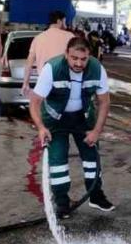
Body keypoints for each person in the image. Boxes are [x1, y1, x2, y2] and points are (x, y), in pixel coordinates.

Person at [29, 37, 115, 217]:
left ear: (89, 56)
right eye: (74, 58)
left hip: (83, 119)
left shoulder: (97, 69)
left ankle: (95, 196)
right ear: (66, 54)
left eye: (83, 59)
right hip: (55, 120)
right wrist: (41, 127)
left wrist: (96, 131)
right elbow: (35, 102)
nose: (78, 63)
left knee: (92, 158)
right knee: (58, 161)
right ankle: (62, 202)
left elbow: (104, 102)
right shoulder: (52, 69)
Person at [23, 11, 75, 97]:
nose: (66, 25)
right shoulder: (70, 37)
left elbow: (29, 63)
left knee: (44, 109)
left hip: (43, 83)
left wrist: (25, 83)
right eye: (64, 21)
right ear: (59, 21)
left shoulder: (38, 38)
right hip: (65, 83)